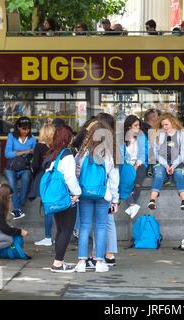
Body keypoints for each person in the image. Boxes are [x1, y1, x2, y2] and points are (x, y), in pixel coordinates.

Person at [73, 120, 120, 273]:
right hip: (103, 195)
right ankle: (99, 262)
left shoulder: (82, 153)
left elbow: (76, 172)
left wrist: (77, 190)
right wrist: (115, 199)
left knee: (85, 226)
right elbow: (114, 179)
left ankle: (81, 262)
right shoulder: (109, 155)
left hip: (85, 193)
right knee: (101, 227)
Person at [42, 125, 81, 272]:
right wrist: (77, 193)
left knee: (60, 230)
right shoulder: (67, 154)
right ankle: (58, 264)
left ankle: (59, 261)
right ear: (68, 137)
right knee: (66, 230)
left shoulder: (54, 153)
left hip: (56, 197)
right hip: (66, 197)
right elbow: (70, 177)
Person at [148, 113, 184, 211]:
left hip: (178, 160)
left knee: (179, 174)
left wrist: (174, 165)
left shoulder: (182, 134)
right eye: (162, 125)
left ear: (173, 123)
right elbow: (156, 153)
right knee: (159, 174)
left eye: (166, 124)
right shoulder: (158, 134)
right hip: (162, 161)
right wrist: (166, 165)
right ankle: (152, 200)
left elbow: (183, 153)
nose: (164, 127)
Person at [4, 116, 36, 219]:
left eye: (28, 128)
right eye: (23, 128)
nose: (26, 131)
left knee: (26, 180)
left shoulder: (32, 139)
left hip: (24, 167)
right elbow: (7, 154)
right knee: (12, 185)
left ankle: (19, 205)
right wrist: (25, 152)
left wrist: (17, 153)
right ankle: (18, 209)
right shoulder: (11, 136)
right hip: (11, 167)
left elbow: (35, 154)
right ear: (18, 127)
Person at [30, 124, 56, 246]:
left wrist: (33, 173)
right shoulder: (57, 146)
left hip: (43, 178)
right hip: (55, 178)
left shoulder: (39, 146)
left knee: (47, 209)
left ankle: (48, 237)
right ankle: (54, 236)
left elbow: (35, 165)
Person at [120, 115, 147, 219]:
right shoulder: (121, 137)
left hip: (140, 163)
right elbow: (121, 153)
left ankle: (132, 204)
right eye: (135, 125)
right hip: (127, 163)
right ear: (128, 127)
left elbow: (144, 151)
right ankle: (132, 205)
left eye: (139, 125)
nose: (138, 127)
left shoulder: (141, 136)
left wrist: (138, 163)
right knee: (126, 179)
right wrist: (130, 164)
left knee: (137, 182)